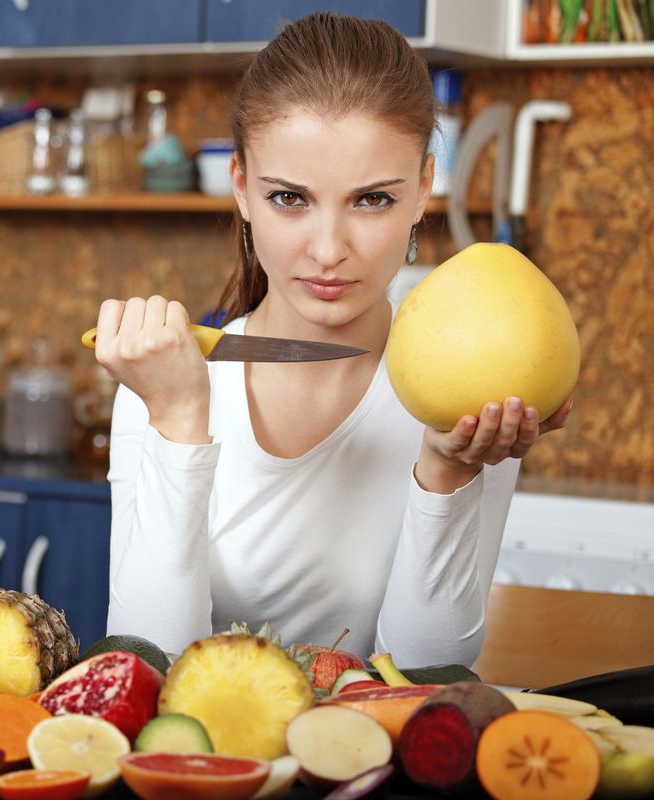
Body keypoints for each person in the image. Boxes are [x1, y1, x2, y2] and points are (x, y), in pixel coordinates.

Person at [92, 12, 573, 667]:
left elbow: (424, 685)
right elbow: (147, 669)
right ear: (241, 188)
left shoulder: (475, 389)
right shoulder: (166, 386)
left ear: (424, 189)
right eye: (290, 198)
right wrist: (177, 422)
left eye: (371, 200)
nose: (327, 250)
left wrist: (448, 473)